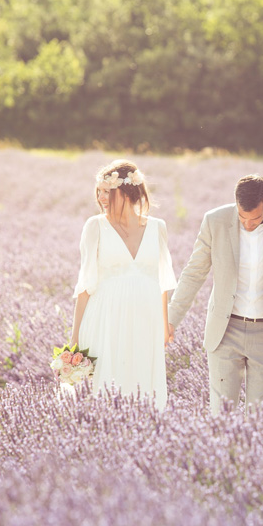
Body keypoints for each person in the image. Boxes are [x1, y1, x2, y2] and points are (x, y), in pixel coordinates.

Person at [167, 174, 263, 414]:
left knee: (258, 418)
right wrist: (172, 318)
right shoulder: (215, 220)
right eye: (242, 218)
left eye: (254, 219)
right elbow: (194, 273)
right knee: (221, 416)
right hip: (225, 331)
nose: (247, 224)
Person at [70, 159, 177, 409]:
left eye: (108, 191)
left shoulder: (157, 227)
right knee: (104, 387)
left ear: (127, 192)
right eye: (99, 191)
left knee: (142, 387)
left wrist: (164, 324)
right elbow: (85, 285)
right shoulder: (94, 226)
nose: (102, 197)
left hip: (145, 321)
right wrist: (74, 339)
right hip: (105, 319)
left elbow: (163, 282)